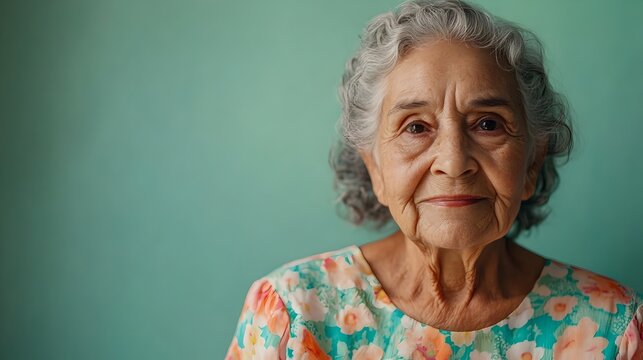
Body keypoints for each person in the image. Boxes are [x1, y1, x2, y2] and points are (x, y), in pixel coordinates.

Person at [225, 0, 643, 358]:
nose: (453, 162)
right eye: (415, 127)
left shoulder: (610, 328)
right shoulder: (293, 316)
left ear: (532, 163)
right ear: (374, 167)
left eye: (487, 124)